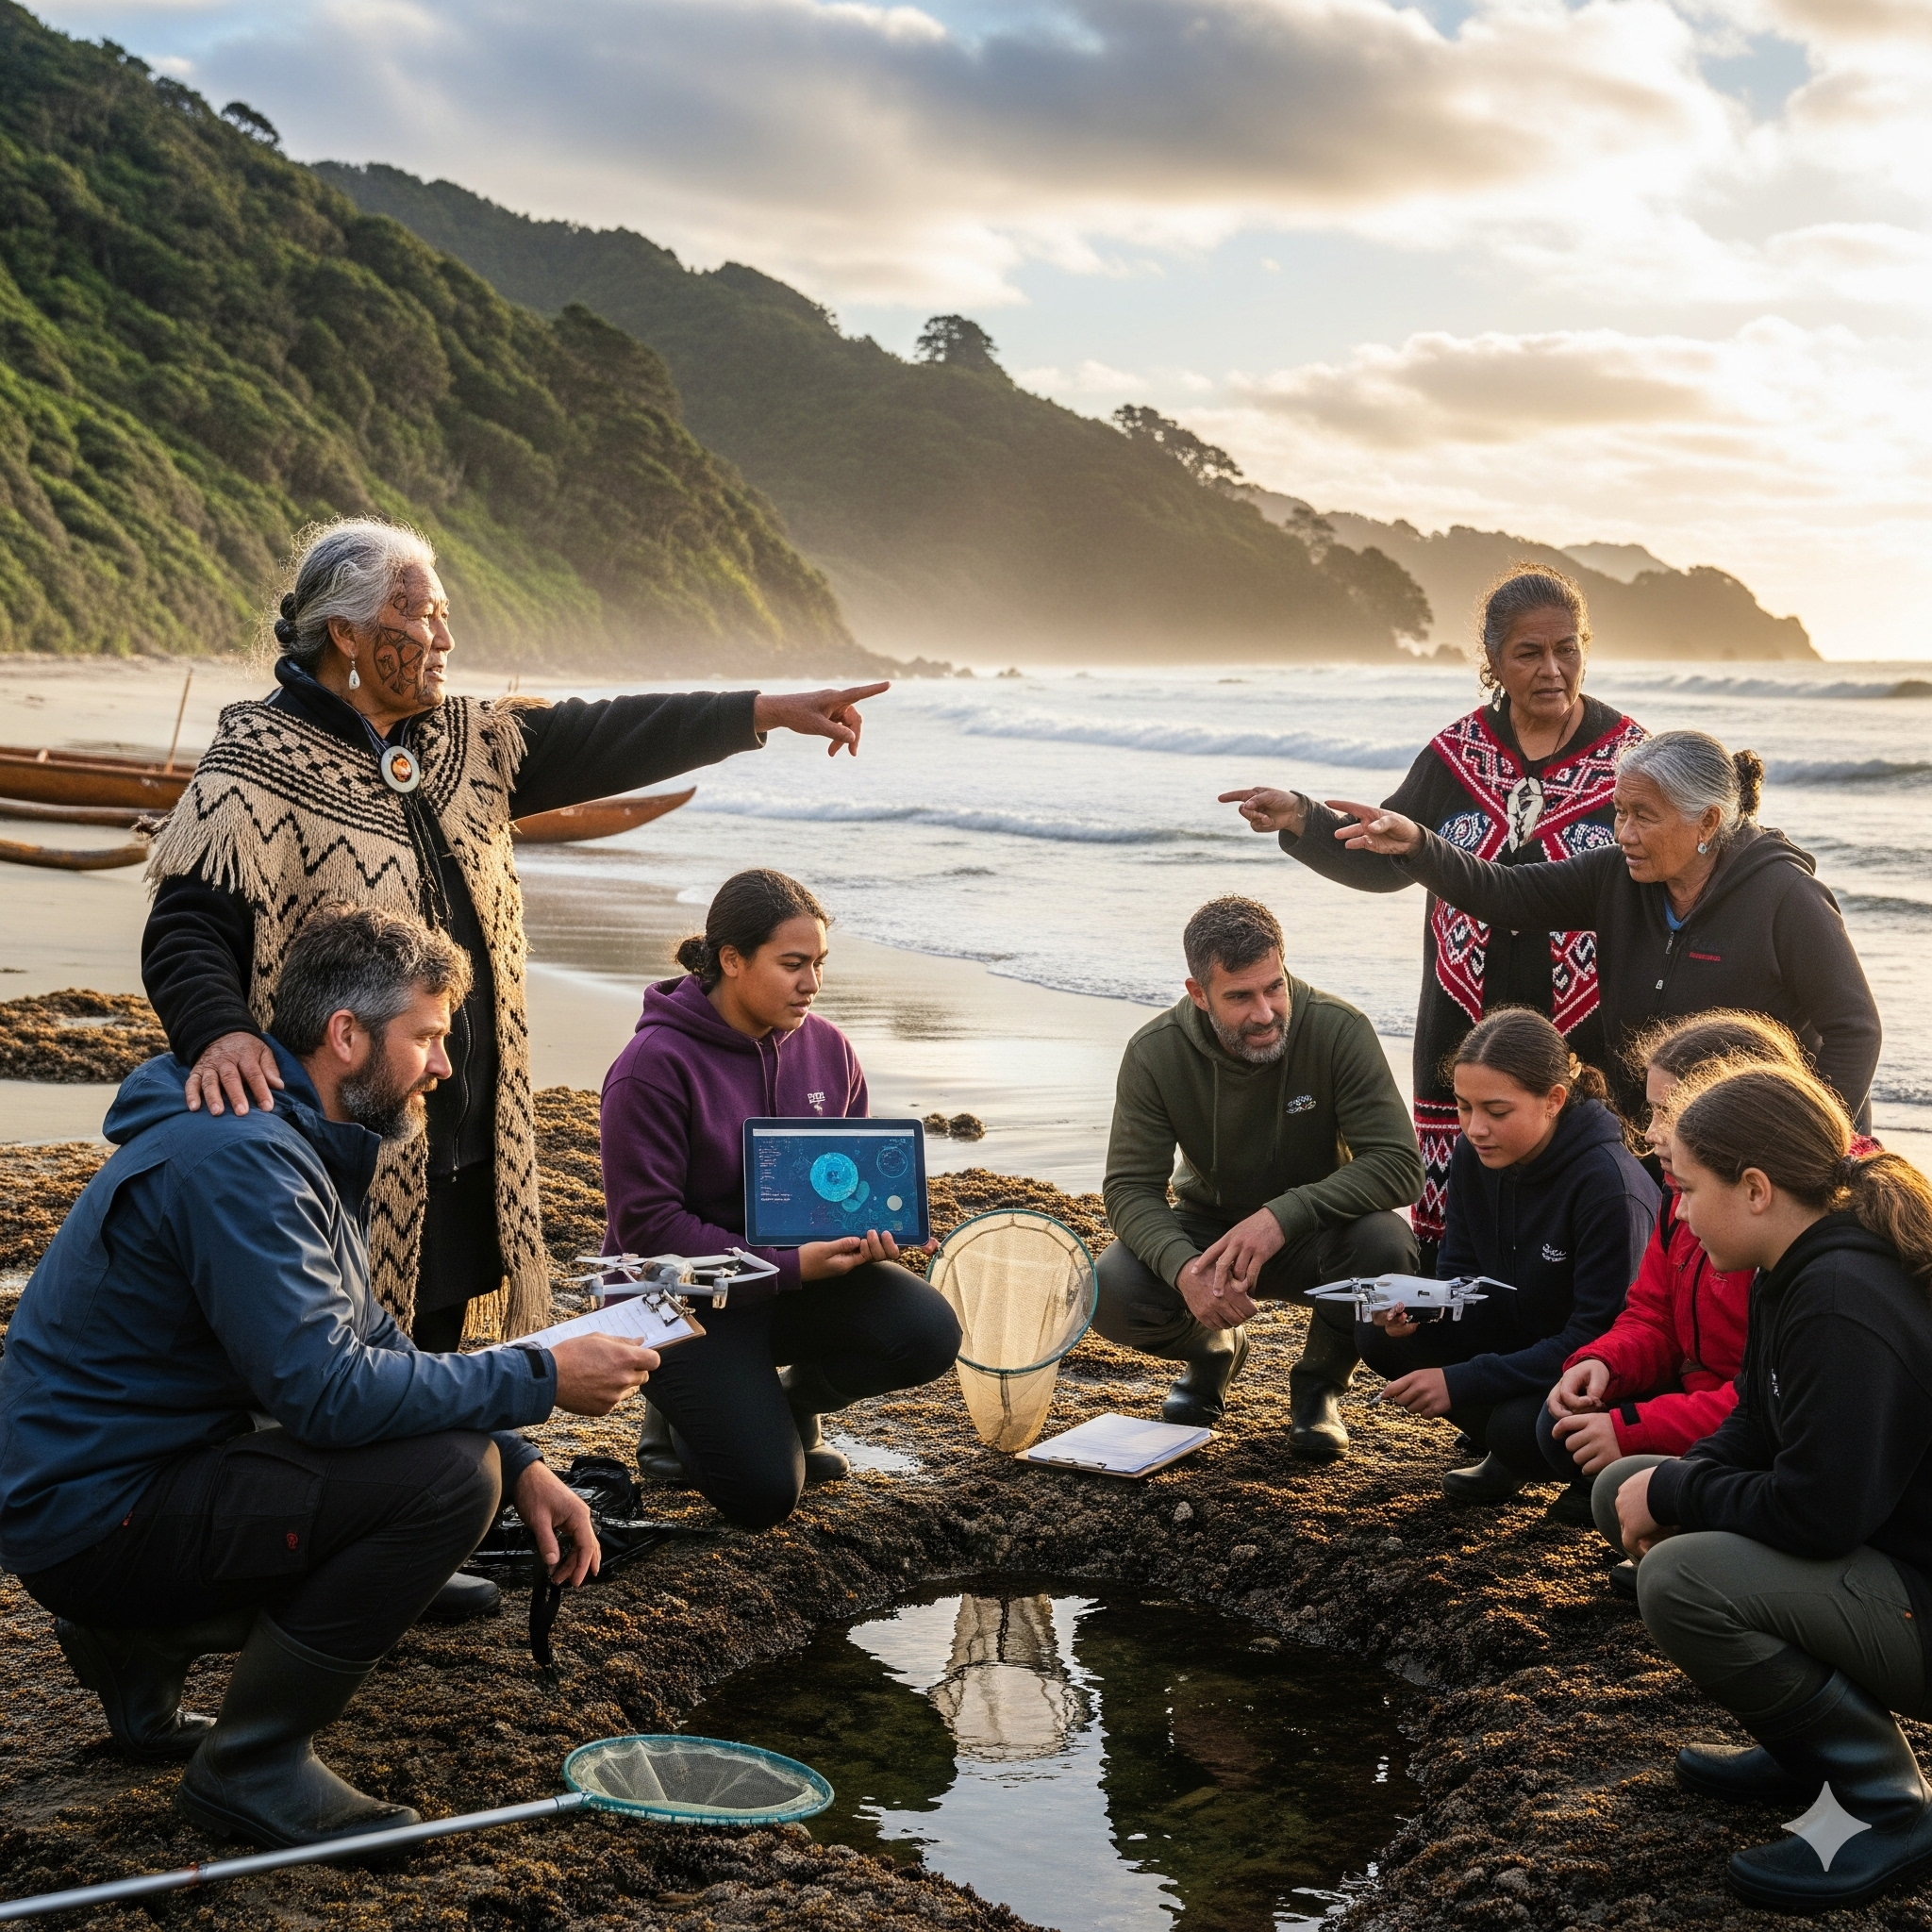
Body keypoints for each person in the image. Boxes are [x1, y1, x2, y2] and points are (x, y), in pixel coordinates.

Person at [142, 516, 890, 1376]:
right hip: (344, 1132)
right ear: (346, 633)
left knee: (444, 1332)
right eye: (421, 616)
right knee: (342, 1346)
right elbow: (186, 928)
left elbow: (607, 733)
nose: (445, 637)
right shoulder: (256, 764)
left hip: (469, 1128)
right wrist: (220, 1032)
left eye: (444, 614)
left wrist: (758, 712)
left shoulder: (471, 742)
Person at [0, 907, 659, 1850]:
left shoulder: (280, 1132)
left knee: (476, 1460)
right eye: (425, 1036)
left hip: (113, 1479)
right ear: (345, 1034)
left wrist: (524, 1461)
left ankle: (136, 1649)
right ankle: (251, 1764)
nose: (441, 1064)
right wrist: (539, 1375)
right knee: (443, 1478)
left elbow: (364, 1333)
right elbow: (326, 1391)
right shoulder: (246, 1158)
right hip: (94, 1512)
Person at [1221, 565, 1643, 1261]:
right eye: (1528, 653)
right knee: (1459, 1237)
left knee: (1585, 1222)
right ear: (1493, 664)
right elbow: (1388, 856)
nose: (1552, 668)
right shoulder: (1456, 756)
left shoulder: (1631, 759)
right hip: (1460, 1025)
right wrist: (1302, 817)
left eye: (1567, 648)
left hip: (1587, 1038)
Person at [1597, 1063, 1932, 1913]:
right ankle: (1807, 1749)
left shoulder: (1838, 1297)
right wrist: (1670, 1484)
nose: (1675, 1214)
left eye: (1685, 1189)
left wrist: (1679, 1497)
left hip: (1918, 1598)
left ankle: (1888, 1805)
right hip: (1881, 1553)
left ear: (1754, 1188)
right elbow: (1752, 1422)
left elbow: (1818, 1514)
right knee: (1624, 1485)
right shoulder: (1795, 1264)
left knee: (1680, 1579)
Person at [600, 869, 961, 1528]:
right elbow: (647, 1228)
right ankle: (678, 1417)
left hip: (792, 1282)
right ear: (732, 961)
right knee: (764, 1498)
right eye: (793, 964)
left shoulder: (829, 1050)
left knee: (927, 1332)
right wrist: (788, 1267)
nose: (812, 984)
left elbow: (850, 1187)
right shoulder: (651, 1065)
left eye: (819, 964)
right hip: (678, 1298)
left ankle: (792, 1400)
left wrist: (878, 1232)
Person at [1311, 727, 1882, 1129]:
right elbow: (1507, 893)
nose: (1624, 833)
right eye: (1619, 812)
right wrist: (1419, 845)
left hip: (1762, 1145)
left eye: (1644, 817)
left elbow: (1855, 1028)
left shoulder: (1785, 896)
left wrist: (1807, 1135)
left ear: (1707, 821)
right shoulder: (1617, 877)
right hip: (1656, 1138)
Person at [1543, 1010, 1875, 1592]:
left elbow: (1792, 1433)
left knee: (1664, 1560)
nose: (1648, 1132)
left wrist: (1639, 1429)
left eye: (1668, 1112)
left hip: (1809, 1481)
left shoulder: (1809, 1256)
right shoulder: (1701, 1202)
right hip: (1735, 1417)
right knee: (1559, 1436)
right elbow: (1653, 1315)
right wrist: (1605, 1364)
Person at [1096, 895, 1424, 1460]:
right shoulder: (1154, 1053)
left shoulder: (1338, 1030)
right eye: (1240, 996)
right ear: (1198, 993)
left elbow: (1399, 1165)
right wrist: (1183, 1271)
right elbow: (1129, 1188)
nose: (1266, 1012)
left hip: (1319, 1234)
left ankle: (1320, 1387)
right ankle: (1213, 1348)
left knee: (1386, 1245)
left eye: (1275, 986)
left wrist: (1281, 1216)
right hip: (1211, 1234)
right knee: (1112, 1288)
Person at [1366, 1008, 1657, 1507]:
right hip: (1521, 1333)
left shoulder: (1608, 1186)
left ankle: (1586, 1472)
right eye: (1463, 1107)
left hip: (1598, 1372)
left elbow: (1600, 1336)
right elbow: (1460, 1273)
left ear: (1554, 1101)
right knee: (1378, 1332)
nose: (1475, 1128)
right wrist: (1423, 1308)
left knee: (1519, 1426)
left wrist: (1460, 1381)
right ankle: (1510, 1450)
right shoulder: (1474, 1154)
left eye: (1496, 1112)